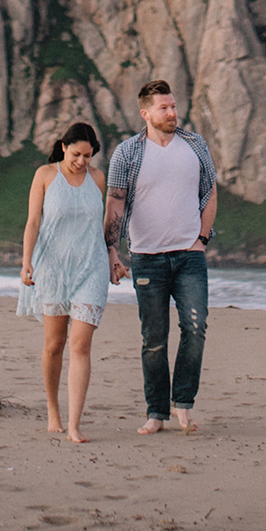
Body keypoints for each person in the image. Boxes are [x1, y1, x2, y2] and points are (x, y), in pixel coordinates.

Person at [103, 79, 217, 435]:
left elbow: (210, 191)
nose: (172, 112)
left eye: (173, 106)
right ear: (146, 113)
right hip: (147, 258)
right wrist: (112, 249)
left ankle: (183, 405)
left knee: (195, 329)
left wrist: (201, 238)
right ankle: (156, 412)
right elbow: (115, 202)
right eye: (164, 108)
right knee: (154, 338)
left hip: (189, 257)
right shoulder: (127, 153)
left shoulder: (195, 145)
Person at [17, 119, 119, 443]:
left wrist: (113, 256)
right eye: (76, 154)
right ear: (63, 147)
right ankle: (53, 410)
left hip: (91, 268)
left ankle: (74, 424)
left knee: (81, 344)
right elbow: (33, 221)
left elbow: (104, 226)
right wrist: (26, 262)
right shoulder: (45, 176)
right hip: (53, 269)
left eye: (88, 156)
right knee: (54, 345)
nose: (81, 162)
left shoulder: (98, 179)